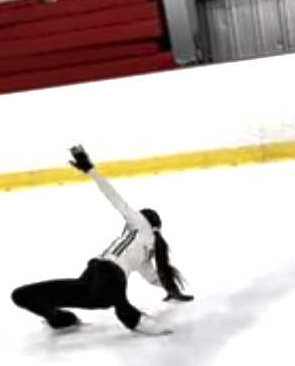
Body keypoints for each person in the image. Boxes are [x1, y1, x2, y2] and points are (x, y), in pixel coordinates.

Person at [11, 143, 192, 334]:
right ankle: (62, 318)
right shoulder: (145, 254)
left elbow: (115, 198)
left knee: (25, 296)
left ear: (143, 218)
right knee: (22, 296)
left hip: (104, 279)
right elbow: (153, 278)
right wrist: (171, 290)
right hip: (94, 283)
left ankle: (136, 319)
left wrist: (91, 171)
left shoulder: (139, 223)